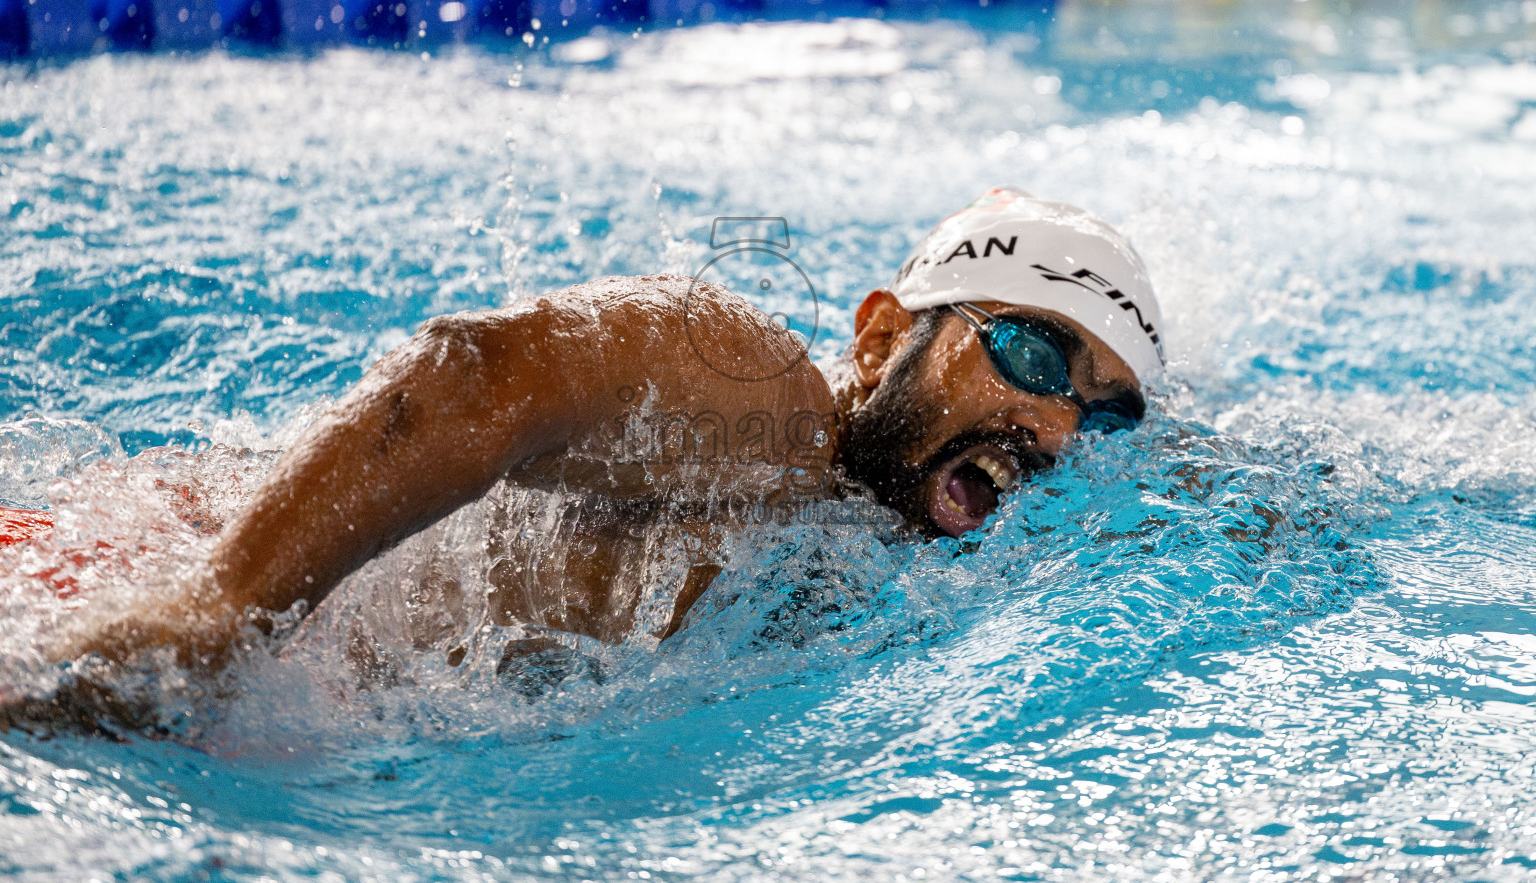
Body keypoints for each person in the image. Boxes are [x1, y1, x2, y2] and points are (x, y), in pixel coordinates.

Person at [31, 186, 1164, 679]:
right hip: (119, 588)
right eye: (1027, 354)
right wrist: (213, 611)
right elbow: (482, 371)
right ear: (878, 342)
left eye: (1100, 412)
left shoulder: (887, 559)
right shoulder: (767, 406)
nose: (1057, 427)